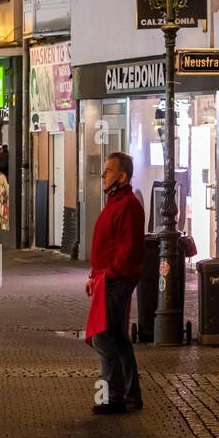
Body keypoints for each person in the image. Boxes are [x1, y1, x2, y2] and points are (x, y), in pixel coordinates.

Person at [86, 152, 145, 415]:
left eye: (108, 171)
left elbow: (127, 250)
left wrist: (107, 275)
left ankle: (115, 396)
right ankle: (129, 393)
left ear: (122, 177)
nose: (103, 176)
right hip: (107, 278)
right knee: (117, 337)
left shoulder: (128, 205)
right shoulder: (115, 202)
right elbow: (107, 244)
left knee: (105, 337)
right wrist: (94, 276)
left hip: (116, 280)